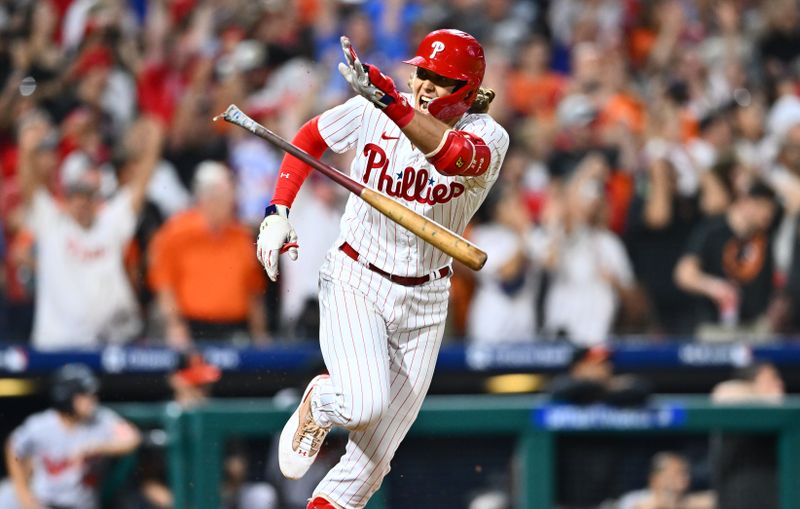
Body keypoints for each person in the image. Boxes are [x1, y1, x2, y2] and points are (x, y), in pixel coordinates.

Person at [255, 29, 509, 509]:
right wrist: (278, 211)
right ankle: (323, 401)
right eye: (423, 73)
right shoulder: (378, 104)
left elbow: (453, 157)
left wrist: (392, 103)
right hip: (357, 275)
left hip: (427, 300)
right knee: (363, 403)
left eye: (441, 78)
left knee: (372, 462)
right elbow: (311, 136)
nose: (426, 84)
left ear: (469, 91)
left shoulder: (489, 136)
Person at [18, 112, 164, 349]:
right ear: (65, 198)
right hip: (56, 344)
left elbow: (140, 185)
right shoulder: (52, 223)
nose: (82, 202)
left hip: (108, 343)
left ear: (96, 198)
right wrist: (26, 151)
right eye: (75, 195)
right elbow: (31, 188)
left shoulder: (110, 222)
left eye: (87, 195)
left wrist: (154, 143)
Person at [133, 350, 277, 509]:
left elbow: (236, 472)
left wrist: (209, 499)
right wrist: (179, 504)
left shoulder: (219, 417)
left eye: (205, 385)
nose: (202, 390)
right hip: (167, 500)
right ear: (176, 380)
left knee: (261, 495)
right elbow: (146, 481)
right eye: (196, 384)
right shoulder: (158, 418)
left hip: (216, 497)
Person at [147, 161, 268, 347]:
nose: (229, 203)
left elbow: (253, 292)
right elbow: (164, 285)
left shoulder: (241, 237)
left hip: (235, 329)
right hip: (192, 328)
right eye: (221, 197)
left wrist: (260, 335)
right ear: (204, 199)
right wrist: (174, 325)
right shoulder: (176, 232)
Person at [0, 363, 141, 509]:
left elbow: (133, 439)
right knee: (6, 496)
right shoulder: (42, 425)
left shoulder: (101, 419)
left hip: (82, 505)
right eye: (84, 395)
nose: (92, 400)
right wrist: (23, 493)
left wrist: (98, 447)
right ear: (66, 396)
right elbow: (13, 445)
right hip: (45, 502)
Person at [674, 181, 778, 341]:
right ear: (746, 202)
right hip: (716, 328)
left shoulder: (765, 235)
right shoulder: (713, 230)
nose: (768, 215)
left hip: (756, 326)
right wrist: (714, 287)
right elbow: (684, 274)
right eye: (763, 207)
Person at [710, 362, 784, 509]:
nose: (779, 384)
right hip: (740, 501)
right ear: (749, 384)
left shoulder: (783, 416)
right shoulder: (735, 400)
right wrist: (768, 399)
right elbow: (722, 393)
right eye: (771, 379)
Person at [616, 452, 714, 509]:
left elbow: (713, 499)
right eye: (678, 472)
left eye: (686, 472)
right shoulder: (635, 499)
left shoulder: (688, 500)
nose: (686, 477)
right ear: (658, 477)